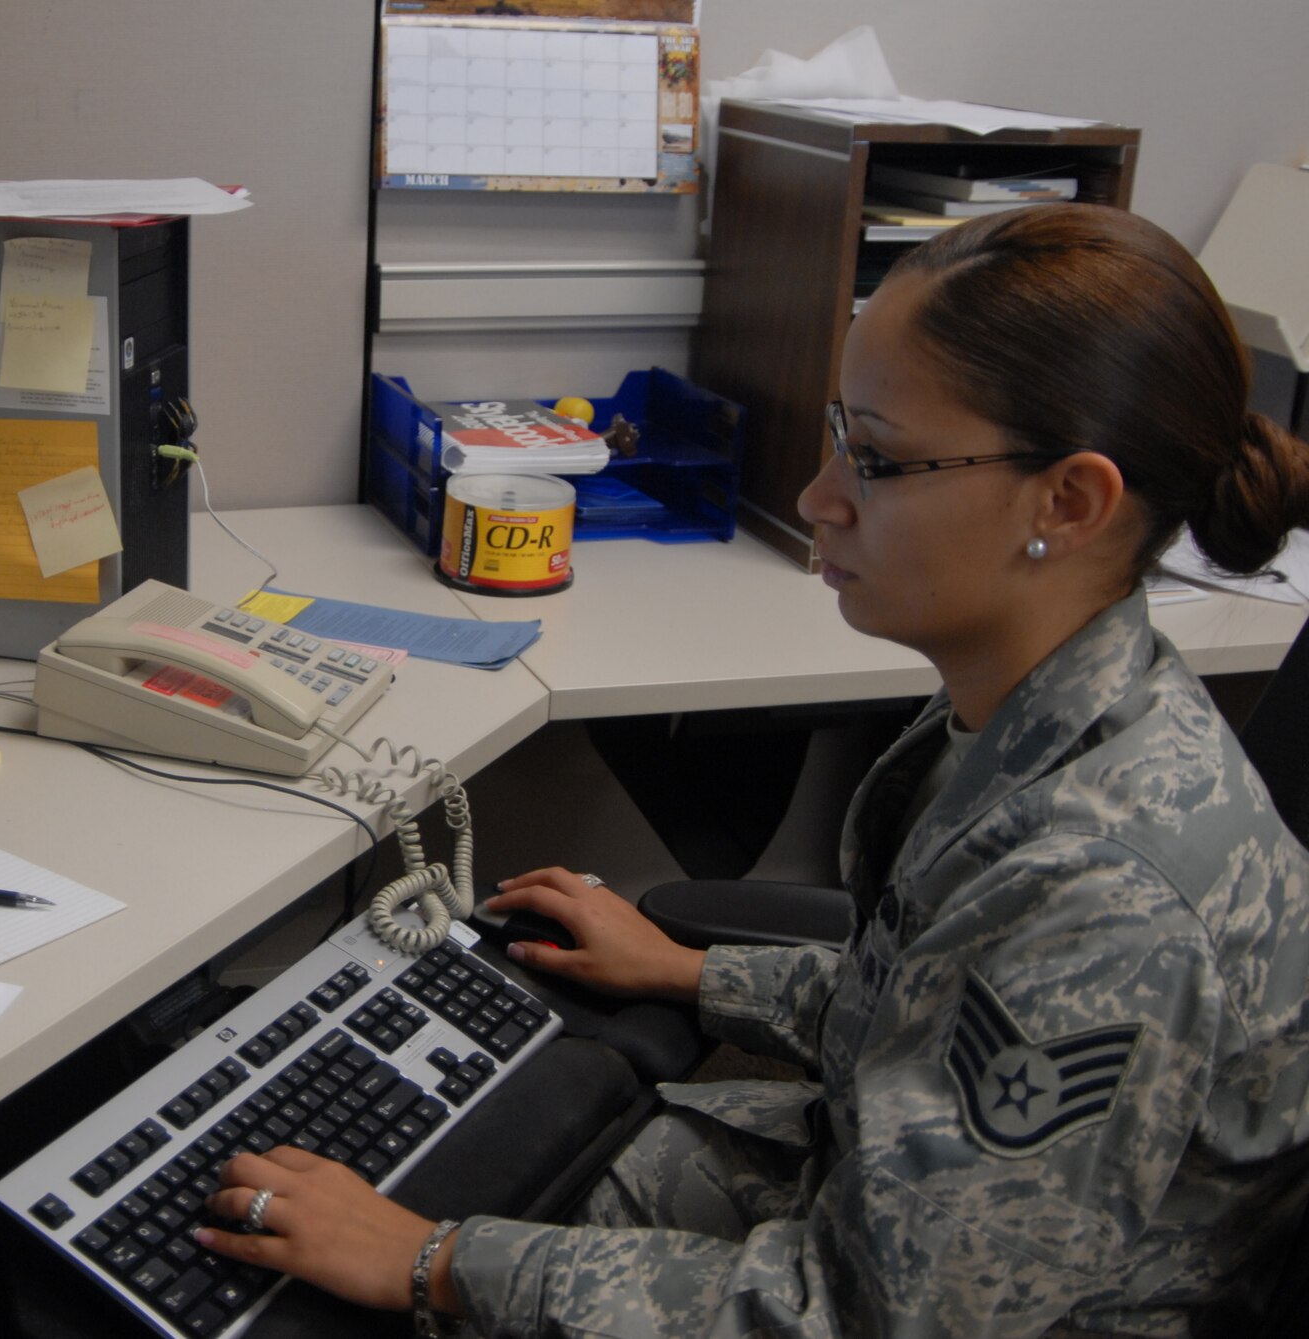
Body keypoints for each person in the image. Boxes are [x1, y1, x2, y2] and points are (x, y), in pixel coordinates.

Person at [193, 203, 1309, 1336]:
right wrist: (693, 972)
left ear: (1064, 504)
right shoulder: (1032, 713)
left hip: (934, 1302)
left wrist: (434, 1263)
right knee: (476, 1130)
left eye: (874, 458)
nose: (819, 496)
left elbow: (874, 1320)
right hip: (883, 1208)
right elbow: (926, 1015)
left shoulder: (1103, 893)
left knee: (345, 1256)